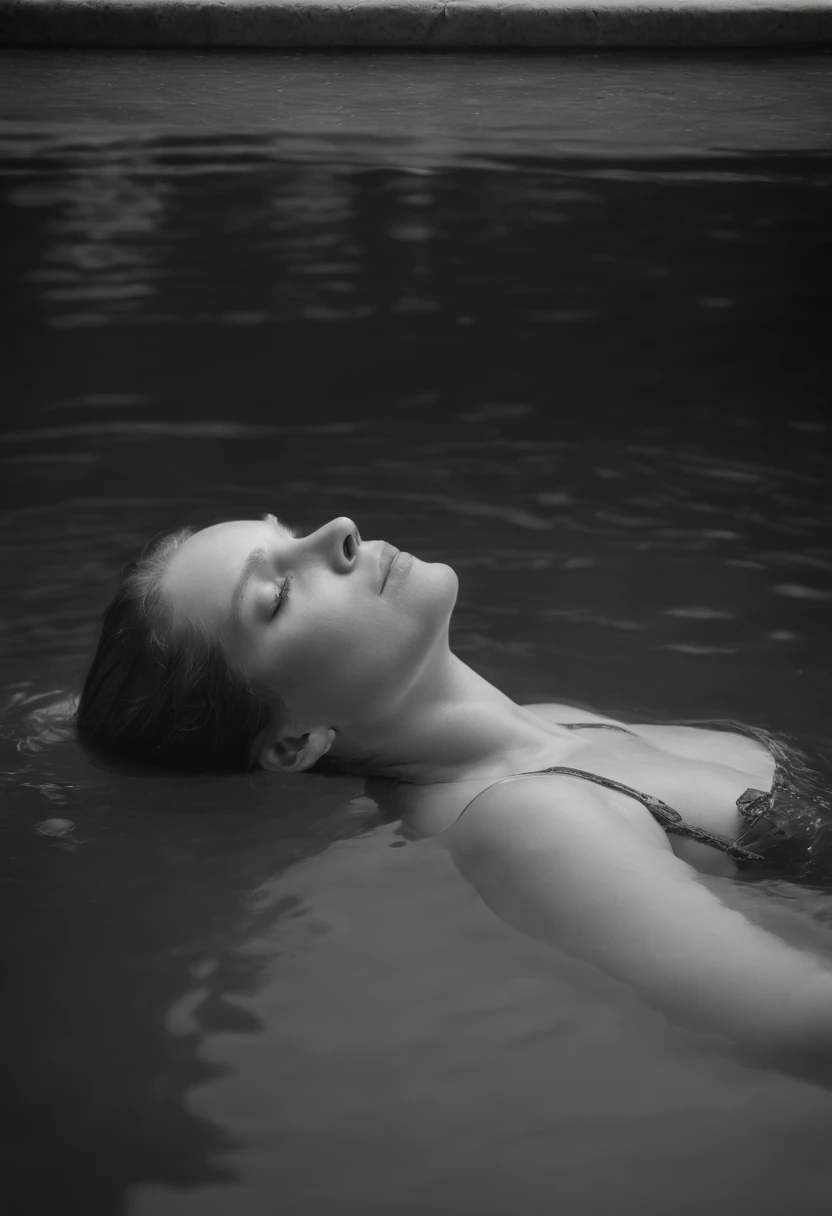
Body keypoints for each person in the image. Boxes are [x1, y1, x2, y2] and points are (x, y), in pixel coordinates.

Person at [77, 514, 832, 1074]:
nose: (336, 532)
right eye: (276, 593)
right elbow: (793, 1022)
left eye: (291, 528)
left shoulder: (550, 723)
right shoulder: (528, 820)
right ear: (293, 743)